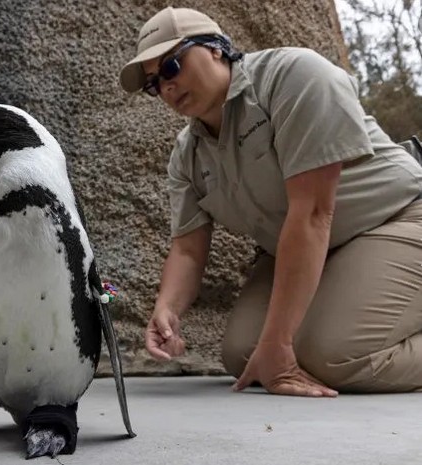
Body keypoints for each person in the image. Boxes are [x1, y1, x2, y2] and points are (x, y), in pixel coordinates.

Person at [120, 6, 422, 396]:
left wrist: (279, 345)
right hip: (319, 248)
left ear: (215, 48)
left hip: (396, 218)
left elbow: (313, 213)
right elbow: (188, 250)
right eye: (153, 84)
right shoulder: (187, 155)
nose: (166, 87)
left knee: (333, 355)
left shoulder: (294, 77)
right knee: (243, 354)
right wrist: (167, 309)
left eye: (171, 66)